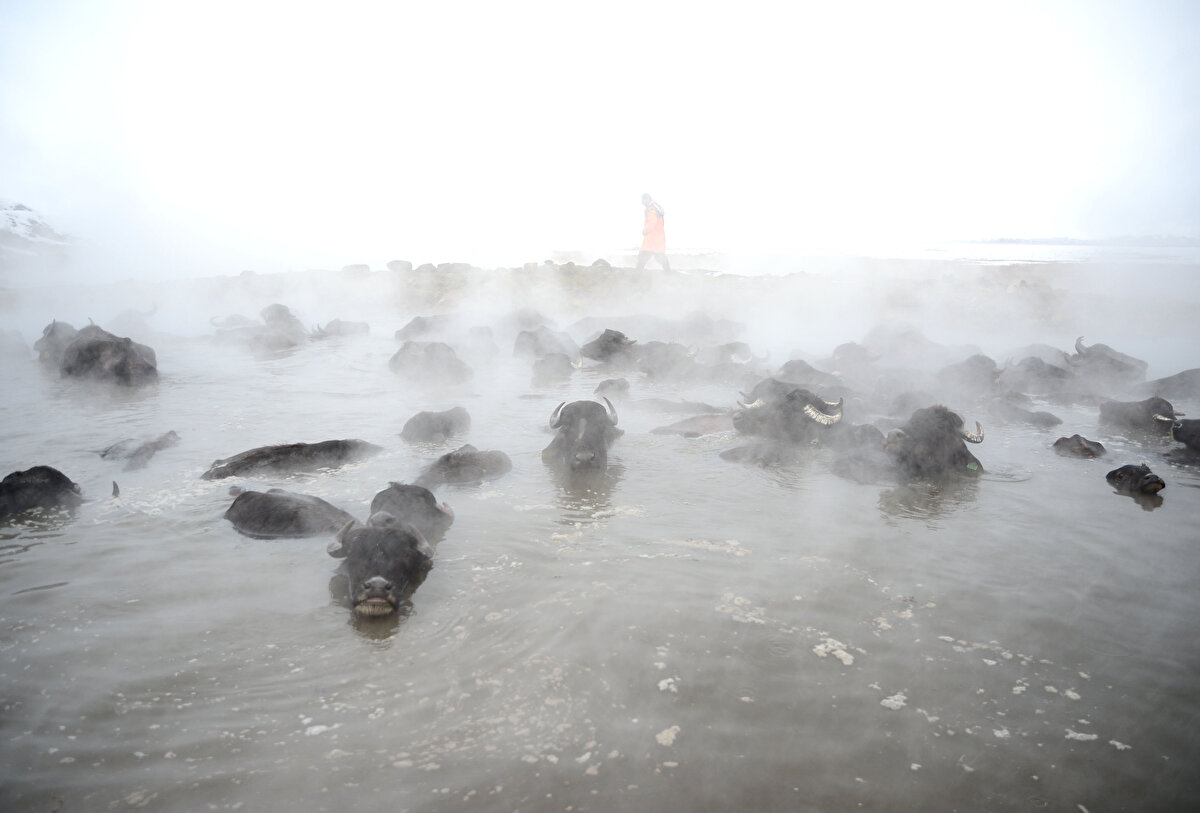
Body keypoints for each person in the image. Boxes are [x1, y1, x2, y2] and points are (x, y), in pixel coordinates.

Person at [636, 193, 670, 271]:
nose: (642, 202)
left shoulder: (651, 209)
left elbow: (652, 222)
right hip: (658, 237)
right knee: (660, 256)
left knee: (642, 258)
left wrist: (645, 230)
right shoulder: (656, 207)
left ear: (647, 199)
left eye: (643, 200)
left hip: (652, 238)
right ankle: (668, 273)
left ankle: (636, 278)